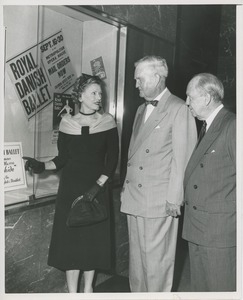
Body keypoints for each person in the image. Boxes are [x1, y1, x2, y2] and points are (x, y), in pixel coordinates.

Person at [23, 74, 119, 293]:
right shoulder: (67, 123)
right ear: (80, 96)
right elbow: (61, 159)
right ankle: (73, 293)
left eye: (100, 93)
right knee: (72, 244)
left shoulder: (108, 121)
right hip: (71, 189)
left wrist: (98, 186)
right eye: (93, 93)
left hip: (97, 189)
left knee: (91, 242)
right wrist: (41, 165)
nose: (98, 97)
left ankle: (88, 291)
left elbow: (112, 160)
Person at [120, 55, 197, 292]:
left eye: (139, 79)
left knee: (157, 267)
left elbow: (183, 158)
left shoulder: (177, 108)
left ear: (157, 77)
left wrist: (175, 198)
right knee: (137, 267)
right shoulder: (141, 109)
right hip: (134, 199)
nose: (136, 85)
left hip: (159, 201)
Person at [182, 73, 236, 291]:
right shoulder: (207, 126)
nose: (186, 103)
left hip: (219, 232)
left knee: (220, 289)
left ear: (206, 98)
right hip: (198, 228)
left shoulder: (232, 125)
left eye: (189, 97)